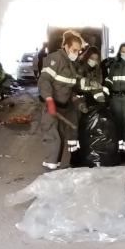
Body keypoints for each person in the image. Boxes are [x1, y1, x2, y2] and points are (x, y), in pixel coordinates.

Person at [38, 30, 85, 170]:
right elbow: (44, 80)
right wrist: (49, 99)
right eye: (74, 50)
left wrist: (76, 98)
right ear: (66, 46)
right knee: (53, 136)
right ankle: (51, 168)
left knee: (63, 134)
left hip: (64, 105)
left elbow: (68, 85)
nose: (76, 53)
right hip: (51, 105)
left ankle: (55, 163)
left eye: (78, 51)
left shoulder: (71, 63)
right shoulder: (55, 59)